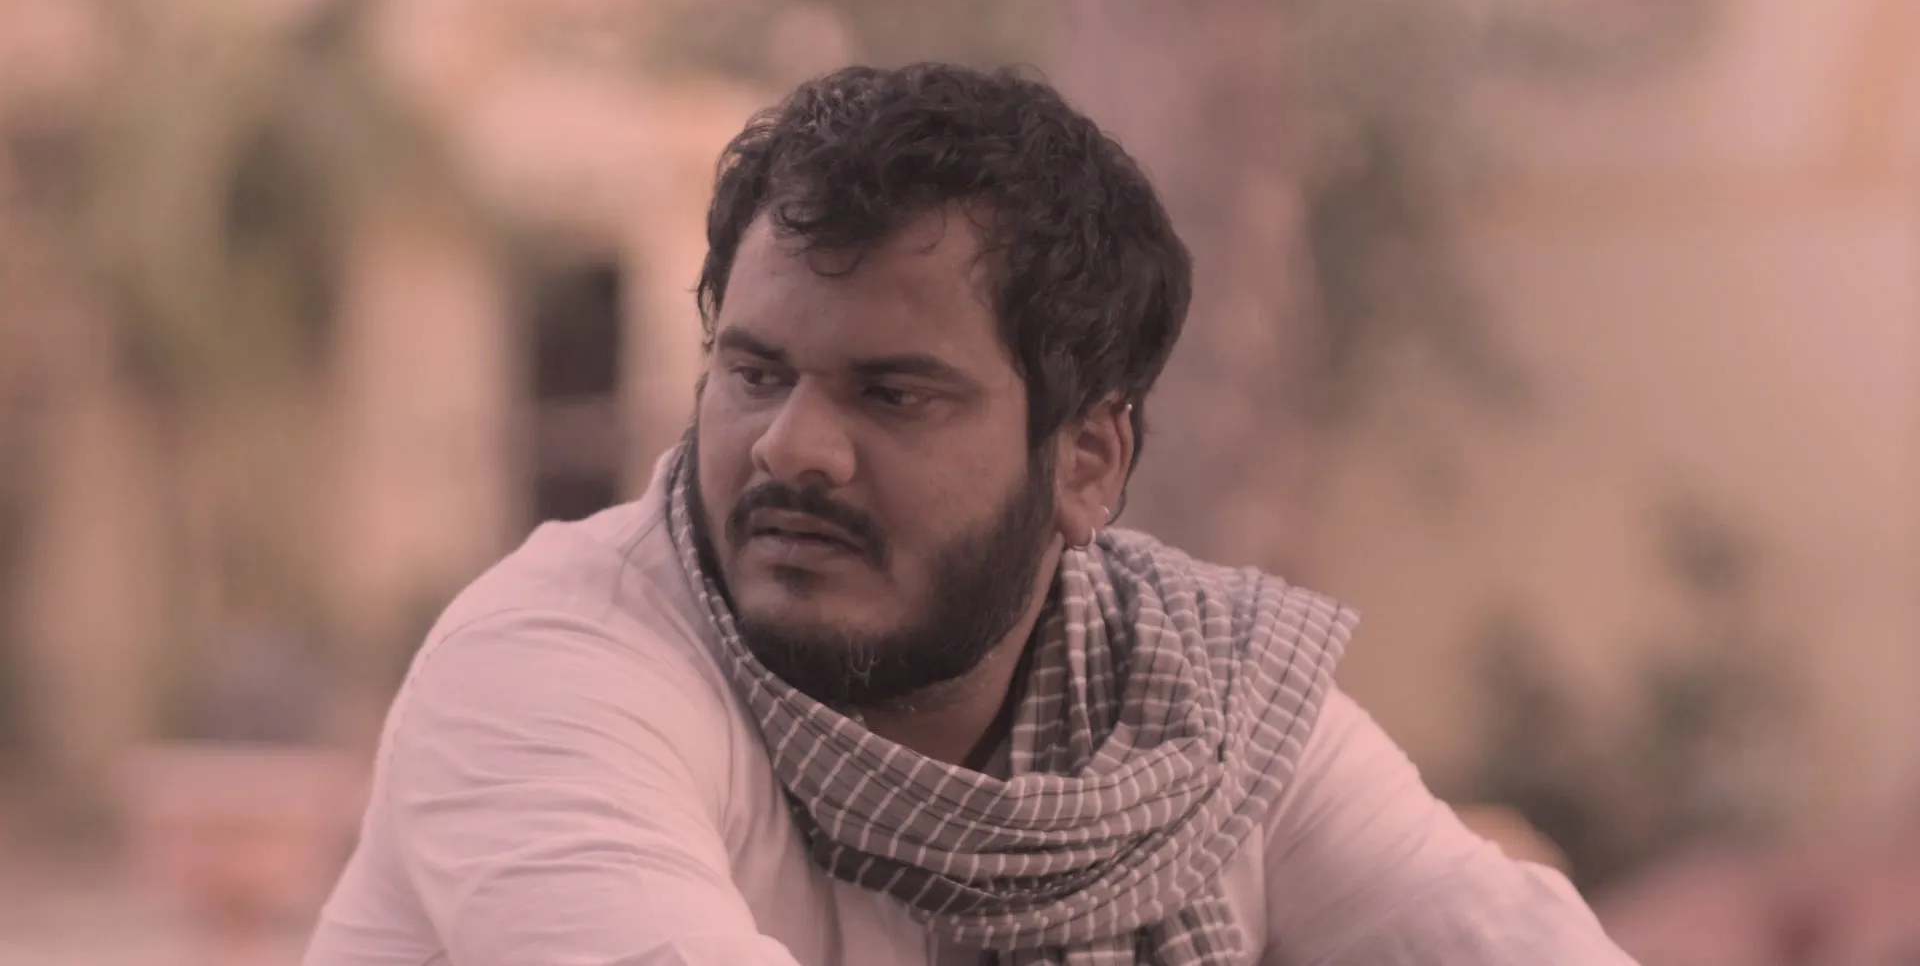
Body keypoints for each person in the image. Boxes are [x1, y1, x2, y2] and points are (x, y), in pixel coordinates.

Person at [304, 63, 1639, 965]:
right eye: (755, 374)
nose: (792, 447)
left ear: (1087, 463)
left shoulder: (1203, 712)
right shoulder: (558, 664)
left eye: (893, 393)